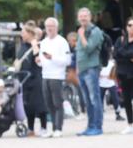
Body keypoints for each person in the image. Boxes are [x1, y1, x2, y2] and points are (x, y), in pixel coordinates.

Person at [74, 7, 105, 136]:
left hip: (91, 68)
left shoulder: (95, 31)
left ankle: (97, 126)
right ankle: (90, 126)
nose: (83, 18)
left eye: (85, 16)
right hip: (82, 70)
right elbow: (79, 51)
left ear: (90, 17)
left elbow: (89, 48)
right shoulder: (81, 30)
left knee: (94, 98)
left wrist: (81, 35)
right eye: (81, 16)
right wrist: (77, 68)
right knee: (87, 100)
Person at [37, 17, 71, 137]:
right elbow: (42, 60)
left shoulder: (62, 42)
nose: (49, 28)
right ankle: (52, 127)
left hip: (57, 76)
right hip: (45, 75)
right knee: (48, 103)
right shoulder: (44, 42)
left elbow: (67, 60)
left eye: (52, 26)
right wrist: (39, 61)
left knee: (57, 102)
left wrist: (52, 58)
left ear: (57, 27)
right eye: (47, 26)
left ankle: (58, 128)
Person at [13, 24, 47, 136]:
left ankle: (43, 127)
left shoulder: (37, 45)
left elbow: (38, 59)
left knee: (40, 104)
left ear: (30, 33)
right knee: (28, 105)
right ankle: (31, 128)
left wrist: (34, 45)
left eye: (23, 32)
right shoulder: (23, 46)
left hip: (36, 78)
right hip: (25, 80)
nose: (21, 35)